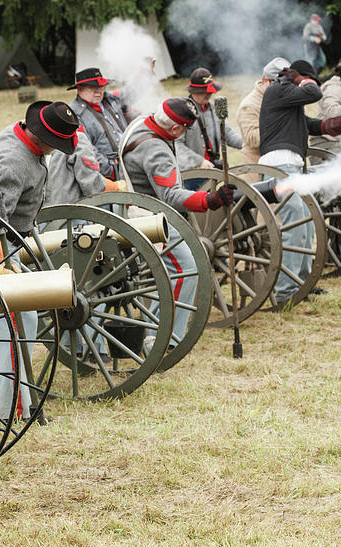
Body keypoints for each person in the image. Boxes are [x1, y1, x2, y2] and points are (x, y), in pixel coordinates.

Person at [0, 101, 79, 421]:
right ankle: (12, 410)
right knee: (11, 324)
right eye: (55, 145)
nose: (56, 152)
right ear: (43, 139)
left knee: (24, 319)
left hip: (11, 234)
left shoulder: (23, 139)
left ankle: (19, 398)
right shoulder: (14, 160)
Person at [119, 98, 235, 345]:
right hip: (149, 217)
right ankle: (166, 338)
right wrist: (209, 200)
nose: (184, 134)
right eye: (183, 129)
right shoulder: (155, 149)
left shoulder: (142, 123)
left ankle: (158, 331)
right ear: (174, 130)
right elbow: (170, 195)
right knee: (186, 268)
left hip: (140, 207)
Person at [259, 59, 341, 305]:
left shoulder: (289, 102)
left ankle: (301, 284)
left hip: (292, 166)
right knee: (295, 225)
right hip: (279, 165)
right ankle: (284, 292)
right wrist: (301, 79)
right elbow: (314, 91)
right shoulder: (277, 90)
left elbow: (314, 125)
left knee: (309, 223)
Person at [176, 67, 243, 178]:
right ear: (193, 92)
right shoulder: (183, 111)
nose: (208, 94)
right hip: (190, 173)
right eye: (203, 92)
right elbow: (177, 145)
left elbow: (227, 134)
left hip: (212, 171)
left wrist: (246, 144)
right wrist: (199, 161)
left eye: (209, 91)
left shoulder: (214, 108)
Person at [68, 67, 132, 180]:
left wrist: (146, 73)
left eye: (101, 87)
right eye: (93, 87)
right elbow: (87, 150)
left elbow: (132, 93)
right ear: (80, 89)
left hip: (130, 160)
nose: (98, 91)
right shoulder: (75, 114)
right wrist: (113, 172)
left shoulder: (110, 99)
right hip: (109, 172)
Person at [236, 57, 290, 167]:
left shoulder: (287, 99)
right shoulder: (249, 105)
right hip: (257, 169)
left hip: (284, 163)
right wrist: (282, 124)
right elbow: (252, 139)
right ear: (266, 81)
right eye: (280, 84)